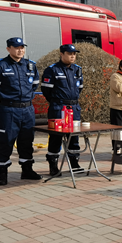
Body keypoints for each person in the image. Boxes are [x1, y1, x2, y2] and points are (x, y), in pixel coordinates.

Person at [0, 37, 42, 185]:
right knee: (6, 141)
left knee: (27, 141)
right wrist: (6, 97)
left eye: (22, 47)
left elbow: (35, 84)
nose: (20, 50)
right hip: (8, 110)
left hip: (27, 110)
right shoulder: (0, 65)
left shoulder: (30, 65)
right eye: (17, 47)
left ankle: (27, 171)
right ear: (8, 49)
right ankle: (2, 174)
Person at [41, 44, 84, 176]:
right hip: (58, 108)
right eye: (69, 53)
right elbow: (46, 90)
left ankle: (74, 163)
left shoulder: (78, 69)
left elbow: (80, 88)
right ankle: (53, 165)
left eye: (74, 54)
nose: (72, 56)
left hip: (74, 108)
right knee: (55, 138)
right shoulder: (52, 70)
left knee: (74, 137)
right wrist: (58, 102)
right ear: (61, 54)